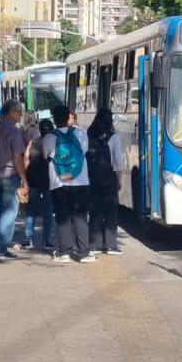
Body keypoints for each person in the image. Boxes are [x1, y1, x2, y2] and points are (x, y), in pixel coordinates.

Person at [43, 104, 95, 263]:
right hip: (81, 181)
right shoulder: (81, 133)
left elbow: (47, 155)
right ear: (68, 117)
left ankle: (64, 251)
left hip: (59, 183)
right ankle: (84, 252)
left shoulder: (49, 137)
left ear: (54, 119)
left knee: (62, 216)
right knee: (80, 216)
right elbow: (84, 151)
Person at [0, 101, 30, 260]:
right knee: (9, 212)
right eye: (18, 112)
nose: (20, 115)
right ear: (9, 112)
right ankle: (1, 248)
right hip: (9, 175)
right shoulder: (14, 132)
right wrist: (24, 179)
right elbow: (17, 158)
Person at [86, 107, 125, 255]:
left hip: (92, 179)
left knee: (95, 211)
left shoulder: (89, 135)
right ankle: (110, 245)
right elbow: (119, 162)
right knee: (110, 212)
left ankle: (94, 244)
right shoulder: (113, 137)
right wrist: (119, 180)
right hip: (108, 178)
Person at [20, 118, 56, 251]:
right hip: (49, 180)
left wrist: (25, 180)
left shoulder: (32, 142)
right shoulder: (54, 142)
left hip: (33, 178)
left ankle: (27, 240)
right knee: (48, 211)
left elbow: (26, 160)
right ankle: (46, 241)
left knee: (31, 210)